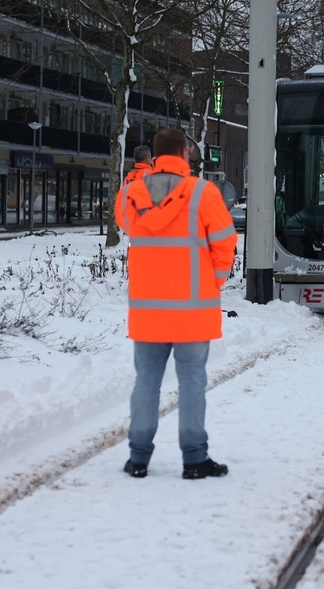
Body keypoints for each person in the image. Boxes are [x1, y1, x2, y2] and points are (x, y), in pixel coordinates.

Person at [114, 127, 237, 479]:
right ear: (184, 155)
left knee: (146, 383)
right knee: (192, 382)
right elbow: (225, 243)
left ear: (153, 157)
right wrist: (212, 283)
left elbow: (124, 222)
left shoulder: (131, 193)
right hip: (193, 312)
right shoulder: (203, 193)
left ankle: (138, 458)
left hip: (148, 311)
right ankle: (195, 459)